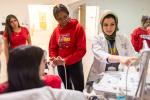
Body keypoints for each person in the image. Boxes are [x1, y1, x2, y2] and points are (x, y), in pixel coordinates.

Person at [87, 10, 137, 82]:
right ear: (101, 25)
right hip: (100, 75)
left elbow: (132, 54)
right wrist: (120, 58)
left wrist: (140, 58)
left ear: (116, 24)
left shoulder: (123, 38)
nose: (109, 28)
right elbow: (102, 56)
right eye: (105, 25)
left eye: (112, 24)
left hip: (118, 75)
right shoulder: (97, 39)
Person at [49, 4, 86, 91]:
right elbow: (52, 48)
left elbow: (81, 50)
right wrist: (54, 58)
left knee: (79, 88)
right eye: (59, 19)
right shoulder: (56, 31)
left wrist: (66, 60)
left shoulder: (78, 28)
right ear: (56, 19)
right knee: (66, 87)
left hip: (75, 63)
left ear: (68, 14)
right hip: (61, 65)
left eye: (65, 16)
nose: (63, 20)